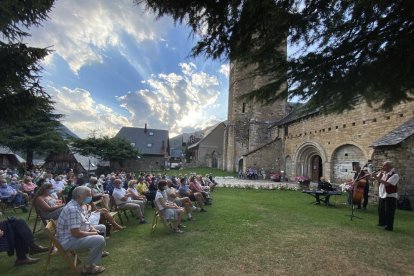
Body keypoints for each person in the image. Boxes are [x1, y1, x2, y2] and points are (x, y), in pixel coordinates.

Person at [56, 186, 108, 274]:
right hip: (67, 240)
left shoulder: (78, 204)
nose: (90, 197)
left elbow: (85, 221)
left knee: (102, 227)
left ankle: (98, 251)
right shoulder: (73, 209)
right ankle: (88, 266)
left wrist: (92, 229)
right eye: (88, 195)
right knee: (100, 239)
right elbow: (76, 233)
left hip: (73, 234)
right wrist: (93, 233)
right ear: (80, 196)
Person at [373, 161, 399, 231]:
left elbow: (387, 184)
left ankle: (389, 227)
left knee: (389, 212)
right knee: (381, 210)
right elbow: (374, 179)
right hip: (382, 194)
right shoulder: (382, 173)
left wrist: (377, 178)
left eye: (384, 165)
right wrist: (371, 176)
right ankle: (382, 223)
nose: (382, 167)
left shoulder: (395, 175)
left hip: (390, 195)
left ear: (389, 167)